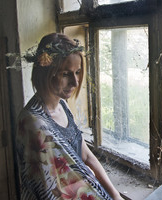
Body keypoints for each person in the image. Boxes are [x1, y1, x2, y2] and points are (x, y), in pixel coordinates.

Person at [15, 33, 123, 200]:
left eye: (78, 72)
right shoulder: (33, 123)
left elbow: (86, 155)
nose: (75, 82)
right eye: (66, 74)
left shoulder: (63, 107)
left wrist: (116, 195)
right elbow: (47, 191)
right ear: (46, 72)